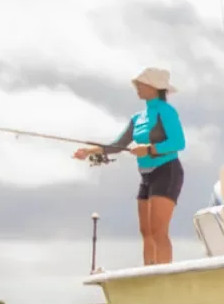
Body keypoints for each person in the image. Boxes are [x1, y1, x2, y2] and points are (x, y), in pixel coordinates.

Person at [72, 67, 187, 264]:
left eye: (141, 84)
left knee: (158, 230)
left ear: (153, 87)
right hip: (146, 175)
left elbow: (178, 143)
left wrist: (149, 149)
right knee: (146, 231)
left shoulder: (166, 111)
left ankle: (164, 274)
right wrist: (88, 151)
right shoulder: (137, 118)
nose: (137, 87)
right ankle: (149, 273)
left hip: (167, 171)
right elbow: (117, 145)